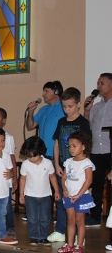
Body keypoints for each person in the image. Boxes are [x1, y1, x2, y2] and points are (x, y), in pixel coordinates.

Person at [49, 87, 92, 242]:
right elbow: (56, 144)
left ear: (78, 104)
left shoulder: (83, 123)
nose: (67, 110)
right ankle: (61, 231)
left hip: (78, 171)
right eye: (64, 106)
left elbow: (87, 145)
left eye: (70, 106)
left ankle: (79, 237)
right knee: (62, 199)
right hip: (63, 167)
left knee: (78, 203)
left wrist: (82, 167)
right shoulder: (61, 122)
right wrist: (57, 164)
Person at [57, 131, 95, 253]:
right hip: (69, 196)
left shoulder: (86, 163)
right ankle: (69, 244)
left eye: (75, 146)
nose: (71, 149)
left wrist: (78, 195)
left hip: (81, 197)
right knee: (70, 220)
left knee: (80, 221)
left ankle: (79, 245)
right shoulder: (68, 162)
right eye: (70, 146)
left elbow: (89, 180)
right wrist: (65, 189)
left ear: (83, 146)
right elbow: (64, 178)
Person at [84, 73, 112, 227]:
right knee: (96, 184)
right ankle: (95, 216)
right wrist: (87, 111)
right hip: (96, 150)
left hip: (110, 149)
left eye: (102, 83)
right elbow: (87, 127)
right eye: (98, 83)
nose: (98, 86)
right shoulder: (96, 107)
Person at [19, 137, 59, 246]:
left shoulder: (48, 163)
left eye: (34, 156)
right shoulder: (25, 164)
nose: (31, 159)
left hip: (45, 196)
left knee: (45, 218)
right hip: (30, 196)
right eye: (28, 156)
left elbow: (52, 177)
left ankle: (43, 237)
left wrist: (57, 191)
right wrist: (21, 194)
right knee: (32, 218)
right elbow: (22, 179)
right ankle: (34, 237)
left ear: (40, 151)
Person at [0, 108, 18, 239]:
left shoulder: (9, 138)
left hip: (5, 177)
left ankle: (10, 227)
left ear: (3, 120)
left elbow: (12, 158)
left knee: (5, 204)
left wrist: (15, 178)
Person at [26, 81, 65, 158]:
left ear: (56, 92)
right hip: (41, 154)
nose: (43, 94)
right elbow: (30, 126)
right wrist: (30, 112)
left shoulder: (64, 108)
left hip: (57, 154)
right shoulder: (43, 110)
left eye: (46, 91)